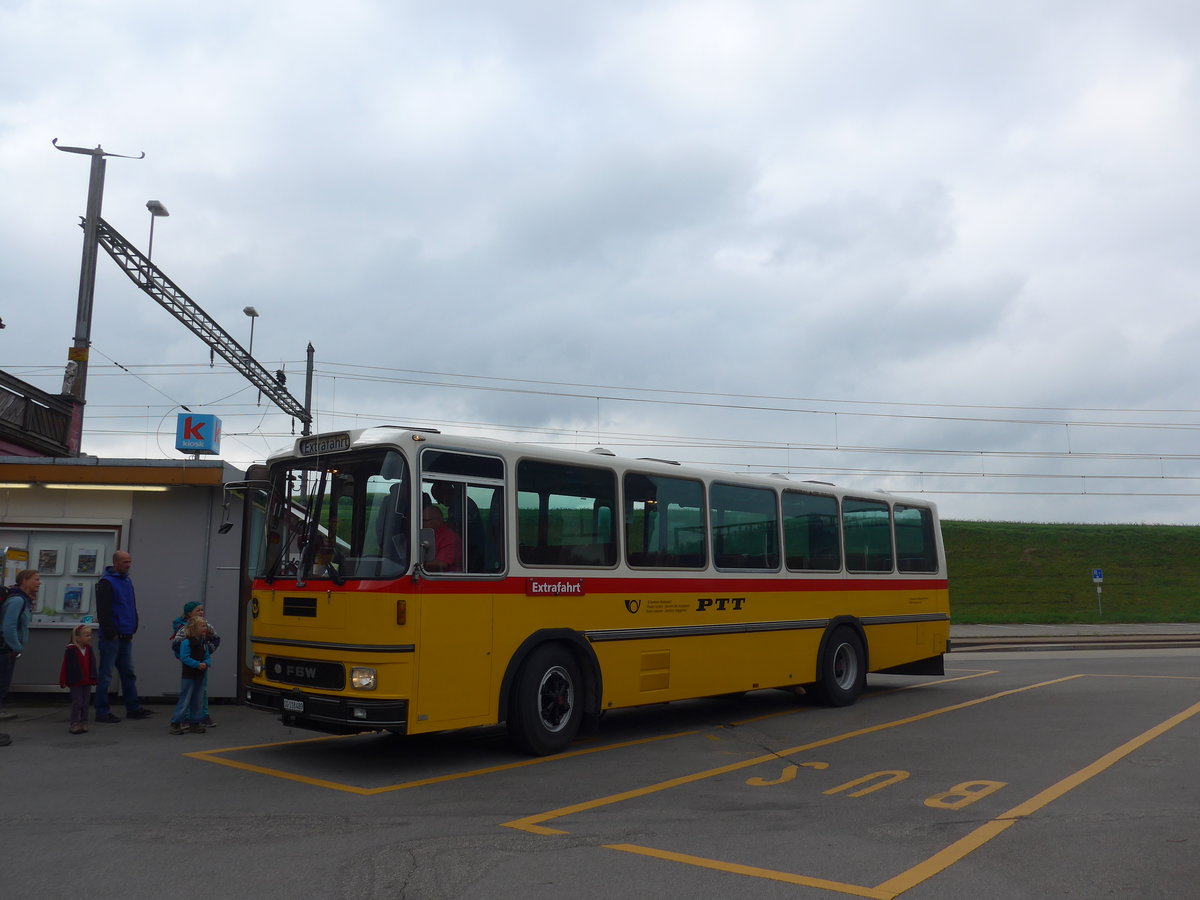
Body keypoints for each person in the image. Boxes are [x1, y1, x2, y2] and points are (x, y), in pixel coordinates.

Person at [94, 551, 153, 723]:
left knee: (128, 673)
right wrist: (110, 632)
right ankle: (102, 711)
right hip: (112, 637)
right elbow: (103, 610)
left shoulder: (127, 581)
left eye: (130, 562)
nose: (128, 565)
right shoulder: (106, 583)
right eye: (125, 562)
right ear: (116, 563)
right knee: (105, 675)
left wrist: (134, 623)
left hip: (126, 634)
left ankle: (133, 708)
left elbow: (130, 604)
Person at [0, 569, 38, 745]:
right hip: (5, 652)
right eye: (36, 579)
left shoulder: (22, 599)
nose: (39, 583)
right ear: (24, 580)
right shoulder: (16, 600)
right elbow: (8, 627)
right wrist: (16, 647)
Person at [170, 601, 220, 727]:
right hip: (190, 667)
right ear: (189, 613)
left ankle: (201, 716)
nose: (201, 612)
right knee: (187, 693)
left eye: (202, 610)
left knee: (201, 692)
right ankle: (184, 718)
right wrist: (184, 657)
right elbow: (176, 645)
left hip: (202, 665)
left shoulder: (206, 626)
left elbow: (216, 638)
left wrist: (206, 654)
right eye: (198, 610)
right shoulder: (184, 630)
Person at [169, 617, 211, 735]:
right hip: (189, 676)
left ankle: (195, 722)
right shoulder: (186, 642)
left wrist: (206, 663)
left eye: (205, 625)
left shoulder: (203, 642)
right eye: (202, 626)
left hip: (200, 675)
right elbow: (184, 657)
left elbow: (207, 656)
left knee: (198, 700)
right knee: (185, 699)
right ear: (194, 628)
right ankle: (176, 722)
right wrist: (197, 664)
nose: (205, 628)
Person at [59, 623, 98, 734]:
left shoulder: (89, 649)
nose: (89, 637)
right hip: (76, 681)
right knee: (77, 702)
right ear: (77, 637)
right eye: (86, 635)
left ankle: (84, 722)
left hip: (87, 680)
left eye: (90, 635)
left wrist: (94, 677)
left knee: (86, 702)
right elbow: (65, 666)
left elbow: (92, 663)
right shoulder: (71, 650)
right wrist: (63, 680)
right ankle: (74, 723)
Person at [421, 502, 462, 572]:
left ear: (439, 520)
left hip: (446, 578)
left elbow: (441, 564)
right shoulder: (426, 533)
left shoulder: (450, 537)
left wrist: (416, 564)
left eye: (425, 520)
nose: (421, 523)